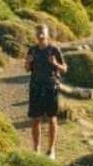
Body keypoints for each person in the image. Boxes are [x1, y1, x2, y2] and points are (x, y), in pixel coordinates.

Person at [25, 24, 67, 159]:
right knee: (35, 119)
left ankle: (51, 150)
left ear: (47, 34)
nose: (40, 35)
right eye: (38, 33)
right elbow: (26, 69)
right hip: (35, 87)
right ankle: (36, 149)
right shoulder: (32, 50)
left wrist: (55, 63)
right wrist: (28, 62)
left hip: (51, 87)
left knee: (52, 119)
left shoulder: (54, 50)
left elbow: (64, 69)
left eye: (42, 33)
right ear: (35, 35)